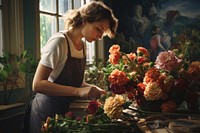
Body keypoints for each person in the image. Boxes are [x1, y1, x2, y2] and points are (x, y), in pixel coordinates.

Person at [22, 1, 118, 133]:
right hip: (45, 114)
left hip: (64, 114)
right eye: (99, 29)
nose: (100, 36)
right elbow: (37, 85)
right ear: (85, 20)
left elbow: (71, 81)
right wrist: (78, 91)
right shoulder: (59, 42)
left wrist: (90, 87)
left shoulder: (82, 46)